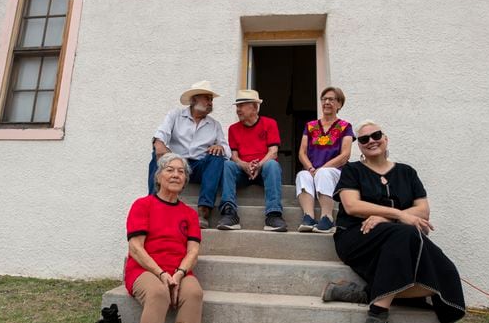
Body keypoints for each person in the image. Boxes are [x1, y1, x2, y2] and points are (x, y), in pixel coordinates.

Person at [323, 120, 465, 323]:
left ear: (385, 138)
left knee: (446, 274)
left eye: (376, 135)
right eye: (364, 139)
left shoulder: (406, 172)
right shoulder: (353, 170)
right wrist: (397, 215)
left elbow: (423, 210)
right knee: (405, 232)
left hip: (399, 239)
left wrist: (386, 218)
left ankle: (365, 293)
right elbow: (352, 205)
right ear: (360, 147)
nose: (371, 141)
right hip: (357, 237)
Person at [126, 153, 212, 323]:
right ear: (159, 176)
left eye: (181, 172)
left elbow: (193, 250)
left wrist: (179, 273)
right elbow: (135, 248)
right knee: (158, 294)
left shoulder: (188, 213)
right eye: (170, 170)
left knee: (194, 293)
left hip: (178, 271)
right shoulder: (143, 205)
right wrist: (162, 274)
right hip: (145, 269)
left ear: (186, 180)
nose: (176, 175)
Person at [149, 80, 230, 229]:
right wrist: (159, 144)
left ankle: (203, 211)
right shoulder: (175, 115)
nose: (210, 102)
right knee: (157, 153)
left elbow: (227, 152)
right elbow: (161, 134)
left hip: (199, 168)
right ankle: (153, 205)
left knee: (218, 156)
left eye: (211, 100)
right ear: (194, 100)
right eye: (207, 98)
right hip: (176, 165)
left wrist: (219, 147)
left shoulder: (214, 124)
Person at [217, 89, 287, 232]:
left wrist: (259, 165)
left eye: (242, 105)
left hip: (264, 171)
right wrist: (245, 166)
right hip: (243, 172)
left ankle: (274, 214)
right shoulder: (233, 129)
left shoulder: (269, 123)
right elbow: (234, 156)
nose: (238, 109)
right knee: (228, 164)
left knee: (272, 165)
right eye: (237, 106)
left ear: (254, 107)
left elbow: (273, 152)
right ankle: (229, 212)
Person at [296, 87, 355, 233]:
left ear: (339, 104)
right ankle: (308, 217)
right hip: (313, 170)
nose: (327, 102)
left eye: (331, 99)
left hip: (335, 171)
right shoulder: (310, 126)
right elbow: (302, 153)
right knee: (302, 175)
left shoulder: (345, 126)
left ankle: (327, 218)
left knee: (324, 173)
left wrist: (322, 169)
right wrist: (310, 168)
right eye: (324, 99)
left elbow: (345, 155)